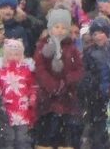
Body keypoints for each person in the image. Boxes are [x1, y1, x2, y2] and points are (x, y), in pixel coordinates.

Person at [33, 9, 83, 149]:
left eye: (63, 27)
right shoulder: (43, 47)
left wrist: (67, 80)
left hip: (67, 98)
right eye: (56, 27)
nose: (60, 30)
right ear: (50, 28)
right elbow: (40, 68)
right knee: (47, 132)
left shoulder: (72, 49)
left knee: (65, 135)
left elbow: (79, 69)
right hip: (47, 99)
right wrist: (52, 85)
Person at [0, 41, 36, 149]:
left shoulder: (27, 71)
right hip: (5, 112)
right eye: (10, 54)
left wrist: (33, 97)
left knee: (22, 139)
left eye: (16, 54)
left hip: (23, 111)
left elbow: (33, 86)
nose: (13, 57)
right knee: (8, 139)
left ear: (21, 55)